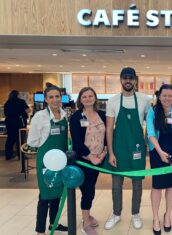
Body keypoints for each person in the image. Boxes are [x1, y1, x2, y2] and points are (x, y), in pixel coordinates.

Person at [105, 67, 151, 230]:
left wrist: (148, 144)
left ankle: (135, 214)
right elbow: (109, 129)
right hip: (119, 148)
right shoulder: (113, 101)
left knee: (137, 184)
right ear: (120, 80)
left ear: (135, 80)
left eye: (131, 78)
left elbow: (150, 124)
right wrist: (110, 152)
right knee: (116, 184)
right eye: (125, 78)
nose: (128, 80)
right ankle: (116, 214)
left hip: (137, 148)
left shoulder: (145, 99)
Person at [27, 86, 68, 235]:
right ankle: (40, 230)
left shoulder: (64, 115)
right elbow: (32, 141)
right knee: (45, 195)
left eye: (57, 96)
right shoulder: (40, 117)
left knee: (57, 193)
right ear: (46, 99)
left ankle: (53, 223)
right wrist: (50, 156)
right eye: (51, 97)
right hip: (46, 162)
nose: (55, 100)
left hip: (61, 162)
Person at [146, 84, 172, 235]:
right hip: (157, 150)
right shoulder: (152, 111)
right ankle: (156, 217)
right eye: (164, 95)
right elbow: (150, 133)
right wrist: (160, 153)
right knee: (157, 185)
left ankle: (167, 214)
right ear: (159, 96)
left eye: (170, 95)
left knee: (171, 184)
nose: (167, 98)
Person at [70, 87, 107, 235]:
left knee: (90, 188)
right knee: (88, 191)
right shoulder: (76, 117)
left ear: (95, 98)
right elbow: (77, 142)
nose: (87, 99)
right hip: (84, 160)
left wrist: (103, 154)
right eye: (84, 96)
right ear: (80, 99)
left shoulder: (102, 115)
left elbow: (106, 137)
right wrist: (91, 157)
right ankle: (86, 223)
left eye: (90, 96)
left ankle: (87, 215)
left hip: (98, 160)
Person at [4, 90, 30, 160]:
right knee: (20, 140)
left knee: (10, 139)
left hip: (9, 123)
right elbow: (28, 110)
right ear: (18, 95)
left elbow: (6, 113)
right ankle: (21, 156)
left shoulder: (7, 102)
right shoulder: (21, 101)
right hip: (19, 123)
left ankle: (8, 155)